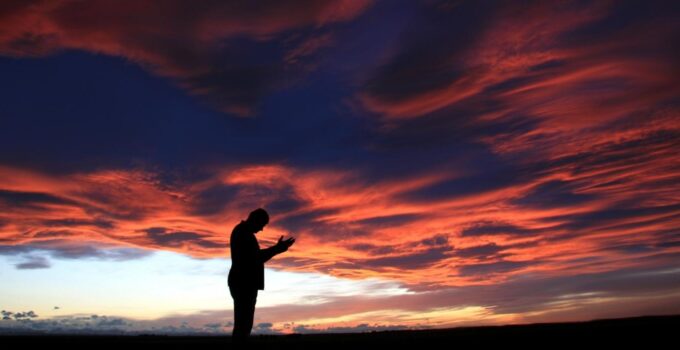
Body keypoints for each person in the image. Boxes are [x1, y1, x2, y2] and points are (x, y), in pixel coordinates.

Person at [228, 208, 295, 342]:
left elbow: (255, 257)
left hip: (243, 283)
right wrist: (277, 249)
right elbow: (254, 258)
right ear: (255, 220)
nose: (262, 229)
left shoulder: (243, 232)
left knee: (244, 323)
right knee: (243, 323)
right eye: (262, 224)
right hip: (243, 283)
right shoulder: (242, 233)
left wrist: (277, 249)